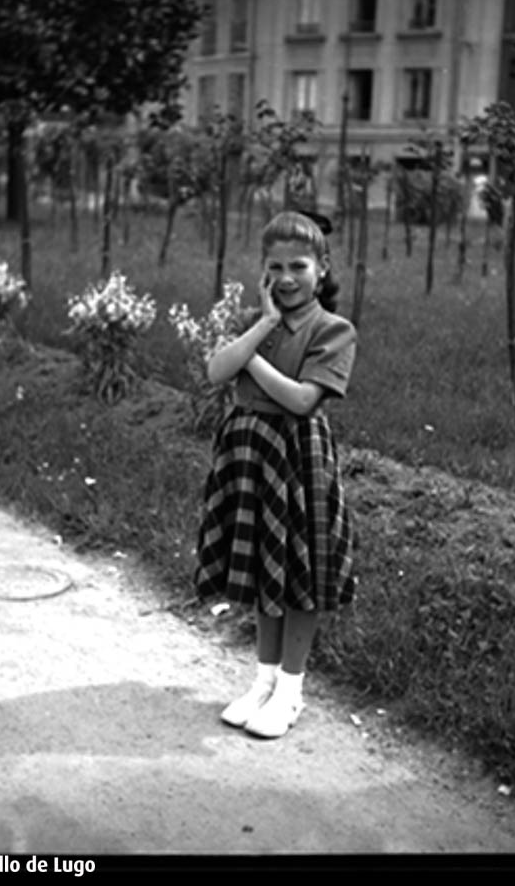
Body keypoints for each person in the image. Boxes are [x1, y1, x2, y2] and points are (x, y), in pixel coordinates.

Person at [194, 210, 358, 739]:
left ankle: (291, 690)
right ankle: (263, 681)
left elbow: (302, 401)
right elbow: (216, 370)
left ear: (323, 267)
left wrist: (252, 365)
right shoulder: (260, 322)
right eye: (276, 267)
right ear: (264, 271)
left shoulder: (333, 330)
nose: (287, 278)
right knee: (266, 568)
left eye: (299, 266)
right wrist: (262, 326)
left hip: (297, 458)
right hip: (251, 459)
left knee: (298, 572)